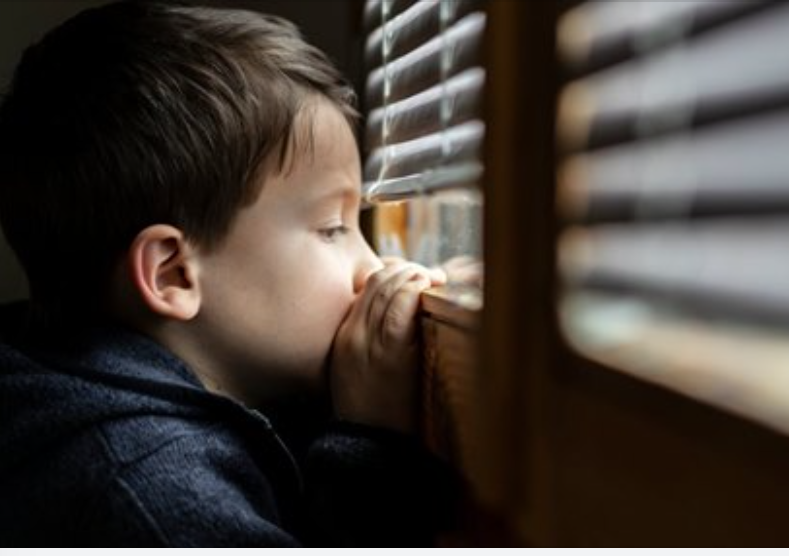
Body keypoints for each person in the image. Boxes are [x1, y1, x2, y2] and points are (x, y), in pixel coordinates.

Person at [0, 0, 457, 546]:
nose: (372, 268)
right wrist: (369, 442)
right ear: (173, 275)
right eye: (333, 228)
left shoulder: (74, 390)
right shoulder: (151, 497)